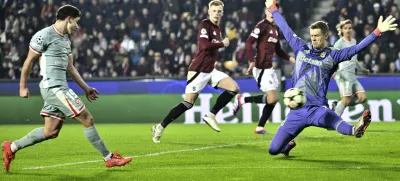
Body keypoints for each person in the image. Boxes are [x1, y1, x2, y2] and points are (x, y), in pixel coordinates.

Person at [2, 5, 132, 172]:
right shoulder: (43, 35)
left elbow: (70, 68)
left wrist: (86, 88)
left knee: (51, 131)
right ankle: (109, 158)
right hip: (54, 87)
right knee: (88, 119)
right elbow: (28, 61)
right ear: (69, 19)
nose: (77, 27)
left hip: (58, 87)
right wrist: (22, 87)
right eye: (76, 22)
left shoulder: (65, 40)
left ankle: (11, 147)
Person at [264, 0, 397, 156]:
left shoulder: (333, 55)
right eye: (312, 36)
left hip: (317, 109)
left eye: (317, 36)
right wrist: (273, 9)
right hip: (296, 111)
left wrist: (377, 31)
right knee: (273, 150)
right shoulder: (301, 48)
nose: (313, 39)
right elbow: (285, 28)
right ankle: (287, 146)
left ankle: (356, 130)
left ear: (325, 36)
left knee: (333, 121)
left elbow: (357, 48)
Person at [151, 0, 238, 143]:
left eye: (219, 11)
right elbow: (204, 46)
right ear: (209, 12)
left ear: (222, 13)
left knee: (233, 88)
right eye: (214, 11)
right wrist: (223, 43)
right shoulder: (205, 25)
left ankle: (210, 115)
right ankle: (159, 127)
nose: (216, 14)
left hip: (210, 69)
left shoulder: (218, 28)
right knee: (188, 103)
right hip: (198, 70)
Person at [232, 5, 295, 134]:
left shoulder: (275, 29)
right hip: (260, 67)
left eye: (275, 11)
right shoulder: (262, 25)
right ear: (266, 12)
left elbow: (277, 50)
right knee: (272, 98)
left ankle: (260, 127)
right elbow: (249, 42)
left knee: (274, 99)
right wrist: (251, 61)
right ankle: (242, 100)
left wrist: (289, 58)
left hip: (269, 68)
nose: (272, 13)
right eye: (270, 11)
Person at [332, 20, 370, 116]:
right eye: (345, 28)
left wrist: (362, 70)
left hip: (352, 76)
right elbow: (332, 59)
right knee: (346, 99)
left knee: (362, 98)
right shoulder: (339, 43)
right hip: (343, 76)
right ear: (342, 30)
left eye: (349, 28)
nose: (348, 30)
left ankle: (337, 105)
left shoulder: (354, 41)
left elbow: (354, 60)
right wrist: (332, 71)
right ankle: (334, 120)